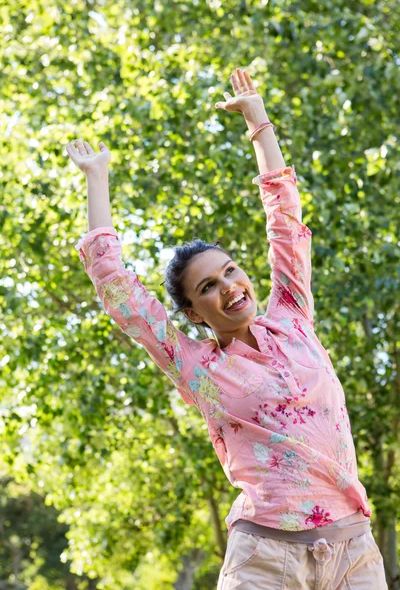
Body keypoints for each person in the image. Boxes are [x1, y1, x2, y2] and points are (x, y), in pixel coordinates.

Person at [66, 68, 388, 589]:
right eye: (209, 287)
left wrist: (257, 118)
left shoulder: (292, 315)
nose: (229, 286)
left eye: (230, 270)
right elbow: (120, 293)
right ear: (193, 313)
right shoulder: (197, 367)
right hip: (265, 562)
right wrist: (96, 178)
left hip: (355, 557)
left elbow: (284, 216)